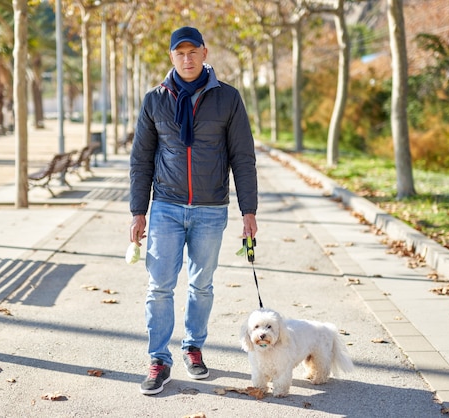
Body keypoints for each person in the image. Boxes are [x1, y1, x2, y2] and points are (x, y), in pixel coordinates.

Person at [129, 26, 258, 396]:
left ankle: (193, 346)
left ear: (204, 52)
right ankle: (159, 359)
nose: (186, 59)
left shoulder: (228, 98)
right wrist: (139, 211)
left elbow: (243, 158)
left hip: (210, 208)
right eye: (179, 53)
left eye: (192, 52)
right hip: (166, 207)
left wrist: (248, 210)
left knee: (201, 286)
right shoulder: (155, 99)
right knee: (159, 287)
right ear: (172, 57)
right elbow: (140, 159)